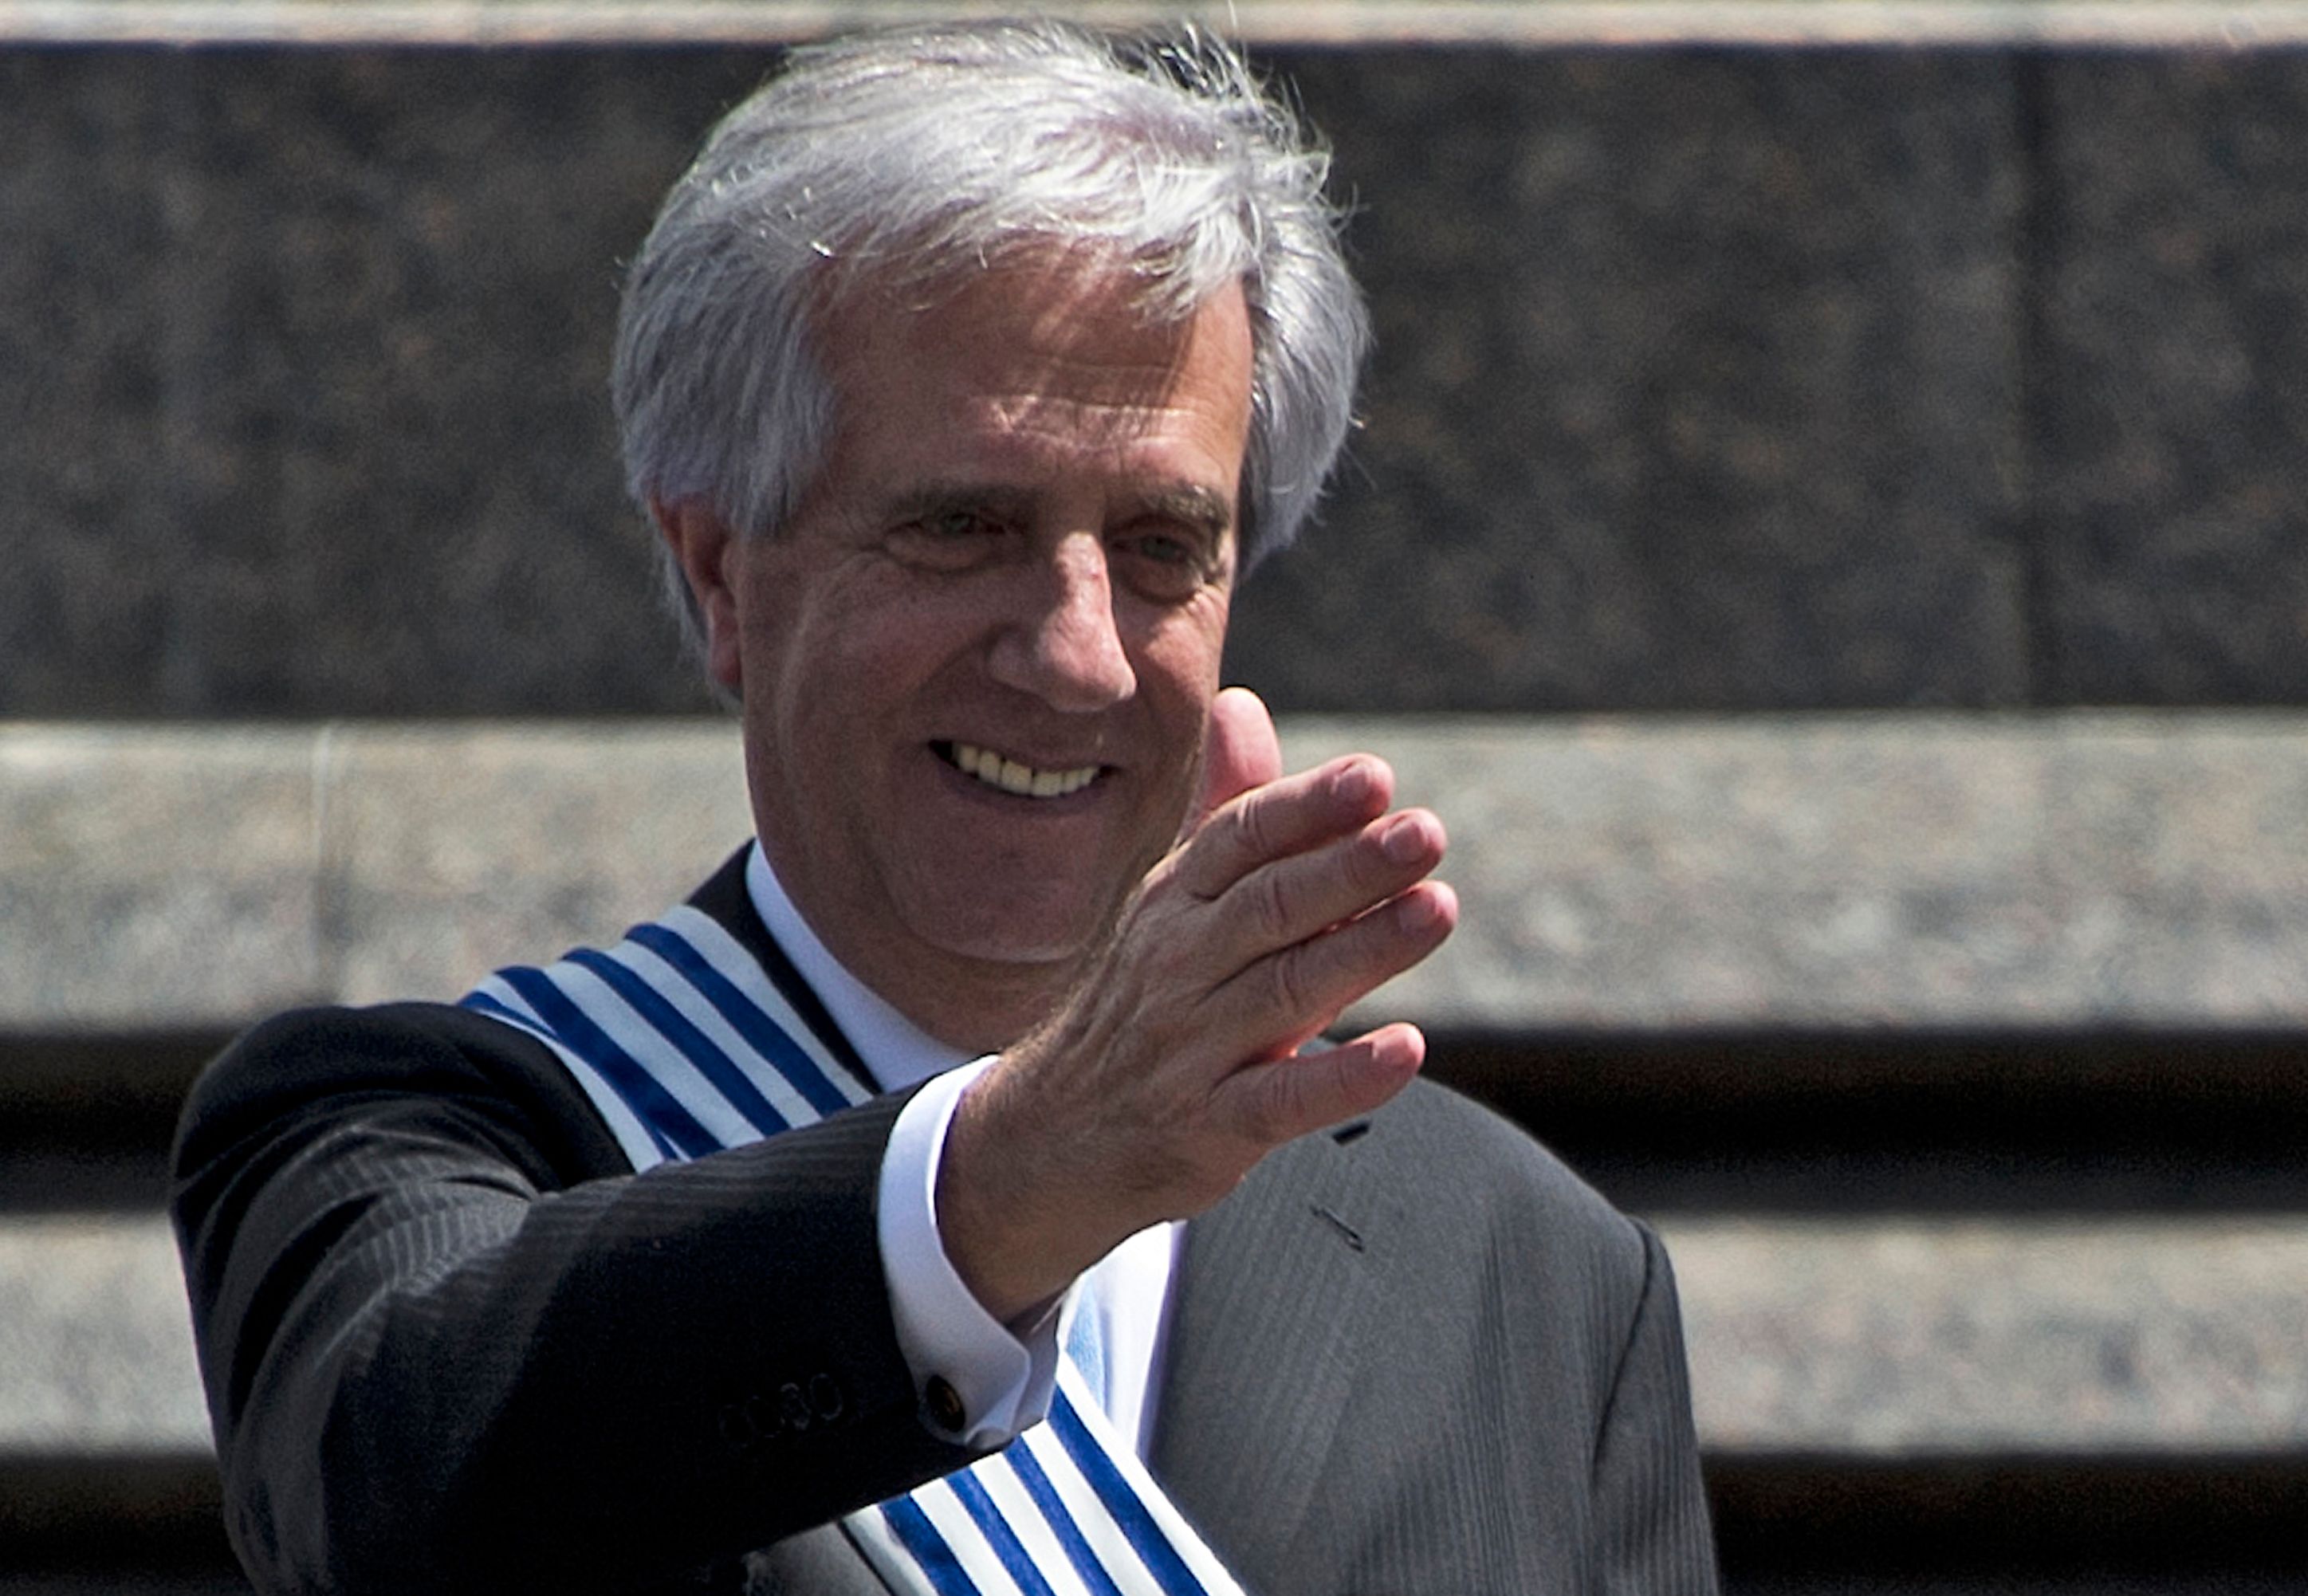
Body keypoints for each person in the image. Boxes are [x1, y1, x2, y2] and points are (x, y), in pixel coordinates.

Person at [172, 21, 1718, 1595]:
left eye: (1162, 544)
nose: (1077, 654)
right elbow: (396, 1483)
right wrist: (1010, 1179)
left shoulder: (1538, 1273)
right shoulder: (414, 1134)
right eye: (965, 525)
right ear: (723, 570)